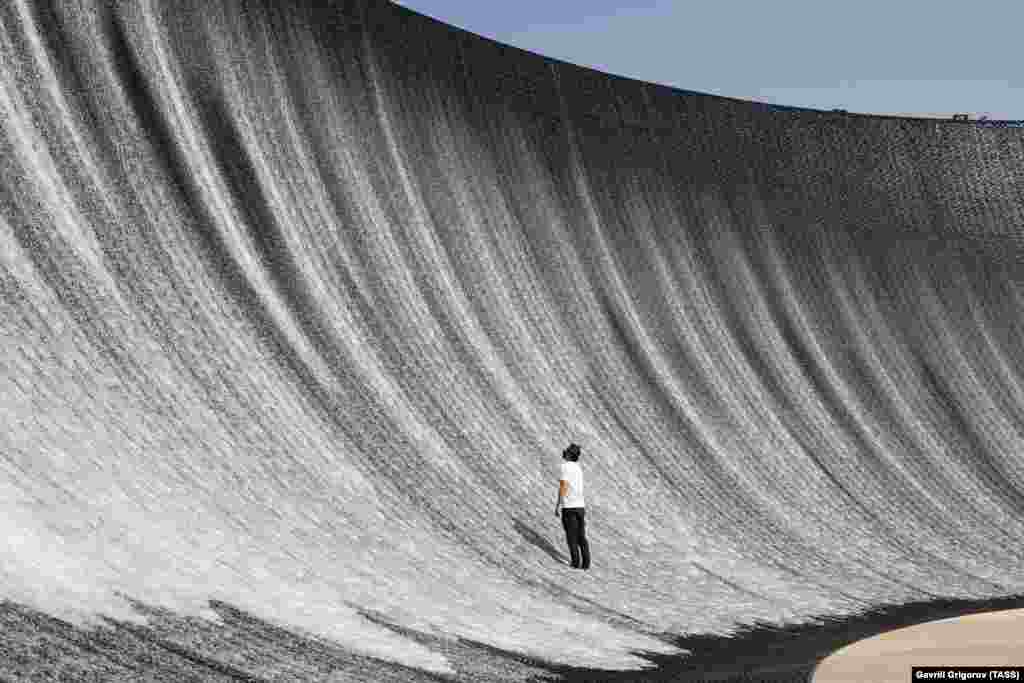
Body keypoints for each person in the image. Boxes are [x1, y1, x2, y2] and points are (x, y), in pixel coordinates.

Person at [555, 443, 590, 570]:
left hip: (569, 506)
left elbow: (563, 486)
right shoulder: (578, 467)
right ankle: (586, 563)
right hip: (581, 506)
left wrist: (558, 504)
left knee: (571, 537)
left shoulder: (565, 467)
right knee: (581, 536)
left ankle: (575, 563)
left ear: (569, 454)